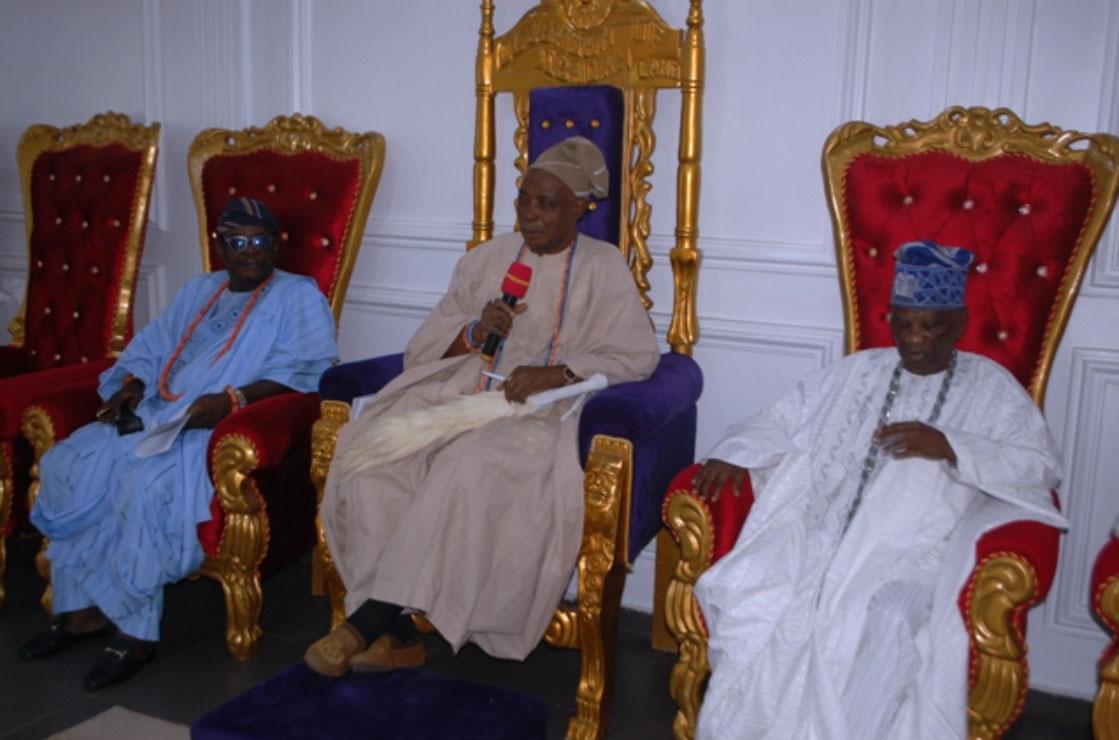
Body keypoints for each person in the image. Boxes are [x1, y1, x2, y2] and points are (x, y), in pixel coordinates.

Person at [306, 136, 659, 675]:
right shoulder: (488, 258)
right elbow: (422, 347)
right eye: (524, 200)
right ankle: (397, 632)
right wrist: (472, 332)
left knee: (465, 466)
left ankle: (368, 623)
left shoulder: (603, 266)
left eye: (547, 204)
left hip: (538, 410)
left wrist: (557, 371)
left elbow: (637, 354)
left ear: (580, 208)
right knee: (373, 453)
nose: (530, 214)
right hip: (461, 387)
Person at [690, 241, 1069, 739]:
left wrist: (952, 446)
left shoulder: (992, 388)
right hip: (819, 535)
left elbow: (1038, 466)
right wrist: (736, 452)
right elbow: (784, 417)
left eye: (930, 326)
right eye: (903, 324)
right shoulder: (858, 371)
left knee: (886, 619)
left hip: (915, 555)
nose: (914, 339)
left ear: (958, 323)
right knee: (759, 599)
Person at [19, 197, 339, 690]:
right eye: (237, 242)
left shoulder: (298, 296)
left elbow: (309, 371)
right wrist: (130, 387)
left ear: (275, 247)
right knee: (65, 464)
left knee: (144, 484)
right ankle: (81, 612)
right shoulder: (199, 290)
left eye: (260, 241)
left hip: (210, 428)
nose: (249, 251)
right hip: (155, 414)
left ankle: (136, 633)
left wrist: (231, 400)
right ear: (220, 247)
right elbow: (149, 350)